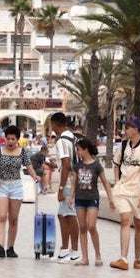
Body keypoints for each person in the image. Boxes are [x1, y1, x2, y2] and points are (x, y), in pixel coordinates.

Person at [109, 115, 140, 271]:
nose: (125, 130)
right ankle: (123, 258)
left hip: (138, 192)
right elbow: (116, 164)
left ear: (136, 130)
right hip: (122, 190)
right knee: (125, 220)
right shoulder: (123, 146)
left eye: (127, 127)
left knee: (139, 223)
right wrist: (117, 183)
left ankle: (137, 258)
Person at [0, 125, 37, 258]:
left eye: (13, 139)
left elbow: (29, 166)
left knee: (13, 219)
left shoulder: (22, 152)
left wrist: (35, 176)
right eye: (8, 138)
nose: (10, 141)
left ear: (17, 140)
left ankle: (10, 247)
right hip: (1, 184)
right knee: (1, 216)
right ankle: (0, 246)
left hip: (16, 186)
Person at [69, 136, 113, 267]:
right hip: (80, 199)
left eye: (78, 149)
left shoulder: (96, 165)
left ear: (85, 150)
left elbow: (105, 183)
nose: (77, 152)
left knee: (91, 226)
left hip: (92, 198)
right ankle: (85, 258)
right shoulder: (77, 166)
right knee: (82, 227)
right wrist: (70, 197)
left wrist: (111, 198)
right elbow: (73, 183)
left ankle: (98, 255)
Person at [50, 112, 80, 262]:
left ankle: (74, 251)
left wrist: (61, 189)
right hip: (75, 180)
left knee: (69, 215)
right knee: (63, 215)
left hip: (69, 183)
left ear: (55, 124)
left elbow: (67, 165)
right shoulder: (72, 137)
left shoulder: (62, 141)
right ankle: (65, 249)